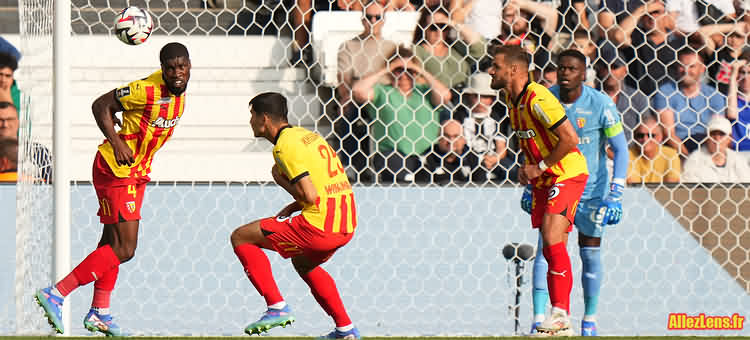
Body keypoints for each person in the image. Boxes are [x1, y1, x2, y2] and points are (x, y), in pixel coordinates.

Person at [34, 42, 192, 336]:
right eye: (170, 68)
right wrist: (117, 141)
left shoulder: (179, 93)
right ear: (162, 68)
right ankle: (57, 293)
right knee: (125, 248)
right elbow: (100, 104)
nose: (177, 73)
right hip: (116, 170)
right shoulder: (144, 89)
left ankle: (99, 312)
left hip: (136, 173)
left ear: (189, 66)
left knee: (111, 245)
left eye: (181, 66)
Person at [231, 92, 360, 339]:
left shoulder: (284, 147)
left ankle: (276, 306)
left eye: (252, 115)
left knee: (241, 237)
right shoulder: (307, 136)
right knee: (303, 263)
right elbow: (323, 185)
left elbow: (309, 196)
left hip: (319, 227)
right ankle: (346, 330)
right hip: (346, 223)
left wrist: (280, 181)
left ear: (264, 119)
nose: (250, 122)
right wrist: (294, 205)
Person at [526, 49, 629, 336]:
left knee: (590, 254)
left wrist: (616, 193)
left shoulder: (601, 103)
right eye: (561, 68)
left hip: (591, 191)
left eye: (571, 69)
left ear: (584, 73)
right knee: (547, 249)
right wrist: (529, 183)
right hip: (555, 185)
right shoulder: (545, 99)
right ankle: (538, 319)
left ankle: (589, 322)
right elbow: (533, 144)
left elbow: (621, 149)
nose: (565, 73)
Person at [488, 44, 588, 336]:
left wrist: (540, 166)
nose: (491, 71)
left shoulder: (538, 97)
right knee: (551, 244)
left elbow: (570, 138)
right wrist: (527, 165)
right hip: (544, 177)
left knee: (551, 236)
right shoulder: (511, 98)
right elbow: (530, 137)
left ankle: (560, 315)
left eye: (495, 66)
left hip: (566, 173)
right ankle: (560, 319)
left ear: (514, 69)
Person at [681, 115, 750, 182]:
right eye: (713, 134)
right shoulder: (694, 160)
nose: (717, 139)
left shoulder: (738, 160)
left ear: (730, 138)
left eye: (721, 134)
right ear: (706, 138)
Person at [627, 114, 681, 183]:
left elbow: (671, 187)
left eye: (651, 135)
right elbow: (633, 186)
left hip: (663, 193)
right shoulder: (629, 155)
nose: (645, 140)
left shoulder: (670, 155)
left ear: (660, 137)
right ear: (634, 137)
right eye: (640, 135)